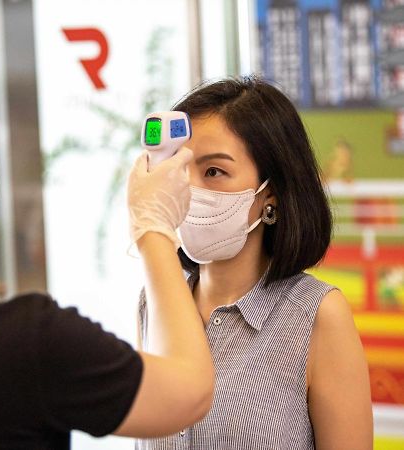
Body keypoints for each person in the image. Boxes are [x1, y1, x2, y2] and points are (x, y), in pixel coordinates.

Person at [0, 55, 215, 449]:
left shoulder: (312, 312)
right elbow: (188, 390)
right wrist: (153, 228)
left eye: (215, 171)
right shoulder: (29, 345)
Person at [136, 76, 373, 450]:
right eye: (181, 172)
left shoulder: (317, 315)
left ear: (271, 195)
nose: (190, 191)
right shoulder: (155, 301)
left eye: (214, 172)